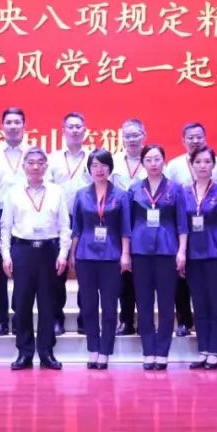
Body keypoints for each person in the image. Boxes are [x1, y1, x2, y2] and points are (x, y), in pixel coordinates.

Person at [1, 148, 70, 371]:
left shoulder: (57, 191)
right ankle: (24, 352)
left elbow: (65, 226)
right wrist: (6, 255)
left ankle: (47, 351)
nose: (35, 167)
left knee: (48, 303)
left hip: (49, 250)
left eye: (40, 162)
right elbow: (5, 227)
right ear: (24, 166)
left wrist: (63, 253)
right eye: (31, 162)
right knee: (22, 303)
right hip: (23, 250)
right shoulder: (13, 192)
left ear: (46, 166)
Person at [68, 149, 131, 369]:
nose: (99, 169)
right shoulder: (81, 194)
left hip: (111, 255)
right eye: (94, 165)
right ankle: (93, 349)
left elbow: (125, 228)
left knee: (109, 305)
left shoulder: (121, 195)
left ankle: (105, 351)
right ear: (89, 169)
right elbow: (76, 227)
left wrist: (125, 254)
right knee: (88, 305)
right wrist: (72, 254)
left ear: (110, 168)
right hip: (85, 255)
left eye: (103, 165)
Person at [126, 144, 187, 370]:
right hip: (140, 251)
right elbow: (127, 225)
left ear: (164, 161)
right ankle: (148, 351)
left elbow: (182, 223)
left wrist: (182, 251)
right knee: (143, 303)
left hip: (167, 250)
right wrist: (126, 253)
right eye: (149, 160)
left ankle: (162, 352)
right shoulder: (134, 189)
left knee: (166, 303)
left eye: (157, 159)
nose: (153, 164)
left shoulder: (176, 189)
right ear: (143, 163)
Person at [165, 122, 217, 337]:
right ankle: (184, 321)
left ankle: (208, 331)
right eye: (190, 137)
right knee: (181, 280)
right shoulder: (173, 165)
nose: (195, 140)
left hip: (210, 235)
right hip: (183, 231)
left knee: (209, 288)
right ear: (183, 141)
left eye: (199, 136)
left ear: (205, 138)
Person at [181, 145, 217, 370]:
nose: (202, 166)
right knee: (199, 303)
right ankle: (203, 349)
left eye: (207, 161)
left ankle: (215, 351)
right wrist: (181, 252)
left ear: (214, 165)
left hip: (215, 254)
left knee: (214, 303)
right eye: (198, 162)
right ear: (191, 165)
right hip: (193, 255)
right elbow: (182, 226)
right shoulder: (184, 192)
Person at [0, 106, 29, 336]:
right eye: (8, 122)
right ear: (1, 127)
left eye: (17, 122)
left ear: (24, 126)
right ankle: (0, 320)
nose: (13, 126)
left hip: (25, 214)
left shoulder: (32, 153)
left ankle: (20, 317)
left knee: (22, 269)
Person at [47, 112, 92, 336]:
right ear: (63, 130)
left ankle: (86, 317)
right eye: (70, 127)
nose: (75, 130)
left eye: (78, 127)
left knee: (86, 270)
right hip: (59, 220)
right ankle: (57, 318)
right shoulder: (52, 159)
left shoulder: (93, 156)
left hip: (89, 219)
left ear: (85, 130)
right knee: (58, 270)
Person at [111, 118, 146, 336]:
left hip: (145, 223)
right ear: (122, 138)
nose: (132, 139)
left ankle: (144, 320)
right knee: (124, 275)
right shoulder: (114, 161)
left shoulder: (153, 159)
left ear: (144, 136)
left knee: (144, 275)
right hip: (119, 223)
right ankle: (125, 320)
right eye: (128, 136)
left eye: (136, 135)